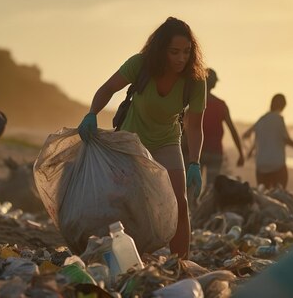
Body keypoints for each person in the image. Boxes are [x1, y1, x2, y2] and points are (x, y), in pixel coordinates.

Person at [77, 17, 208, 258]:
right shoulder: (141, 65)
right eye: (174, 52)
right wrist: (91, 114)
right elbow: (107, 89)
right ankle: (116, 255)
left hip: (167, 141)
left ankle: (180, 263)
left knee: (180, 203)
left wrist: (195, 163)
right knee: (122, 204)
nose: (181, 58)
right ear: (161, 50)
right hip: (131, 143)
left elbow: (195, 126)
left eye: (187, 52)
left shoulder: (195, 80)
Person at [242, 94, 293, 189]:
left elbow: (245, 136)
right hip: (277, 165)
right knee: (280, 194)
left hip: (261, 164)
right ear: (283, 106)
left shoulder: (262, 119)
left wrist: (250, 151)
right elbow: (287, 140)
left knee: (263, 196)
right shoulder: (279, 119)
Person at [199, 68, 245, 195]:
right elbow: (232, 130)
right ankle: (204, 211)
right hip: (215, 152)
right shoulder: (221, 105)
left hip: (197, 151)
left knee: (192, 186)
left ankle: (191, 211)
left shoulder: (194, 101)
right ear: (214, 84)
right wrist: (241, 153)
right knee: (210, 188)